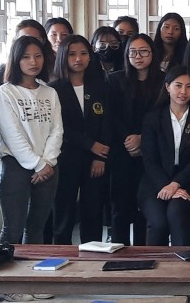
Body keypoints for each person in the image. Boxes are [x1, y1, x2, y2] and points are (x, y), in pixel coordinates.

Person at [0, 36, 63, 245]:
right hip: (15, 165)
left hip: (49, 166)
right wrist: (38, 164)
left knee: (36, 229)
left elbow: (57, 130)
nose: (33, 62)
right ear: (16, 60)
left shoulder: (50, 92)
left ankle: (33, 275)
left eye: (38, 56)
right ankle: (1, 275)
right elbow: (12, 135)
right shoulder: (5, 93)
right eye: (26, 57)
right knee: (12, 229)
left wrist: (48, 162)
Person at [49, 35, 113, 245]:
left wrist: (100, 156)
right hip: (66, 158)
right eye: (72, 54)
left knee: (92, 212)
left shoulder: (100, 86)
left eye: (84, 54)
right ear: (63, 57)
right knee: (64, 213)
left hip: (96, 159)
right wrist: (90, 144)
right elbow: (60, 128)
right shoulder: (53, 89)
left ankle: (92, 259)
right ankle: (61, 257)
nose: (78, 59)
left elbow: (106, 122)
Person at [106, 33, 163, 246]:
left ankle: (142, 250)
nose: (138, 56)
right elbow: (110, 115)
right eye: (133, 52)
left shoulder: (163, 80)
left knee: (145, 206)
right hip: (121, 151)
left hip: (150, 152)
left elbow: (163, 116)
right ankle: (118, 251)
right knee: (120, 205)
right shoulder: (114, 79)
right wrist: (128, 139)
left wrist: (142, 139)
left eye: (144, 52)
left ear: (152, 54)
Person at [140, 66, 190, 246]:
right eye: (178, 86)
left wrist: (176, 185)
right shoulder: (153, 118)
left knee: (177, 213)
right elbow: (149, 159)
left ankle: (183, 269)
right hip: (155, 182)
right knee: (158, 222)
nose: (183, 92)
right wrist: (166, 185)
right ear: (167, 87)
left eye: (189, 87)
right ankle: (155, 270)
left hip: (188, 182)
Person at [0, 19, 52, 106]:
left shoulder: (52, 68)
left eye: (36, 39)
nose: (30, 43)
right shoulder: (2, 74)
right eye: (24, 39)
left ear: (44, 40)